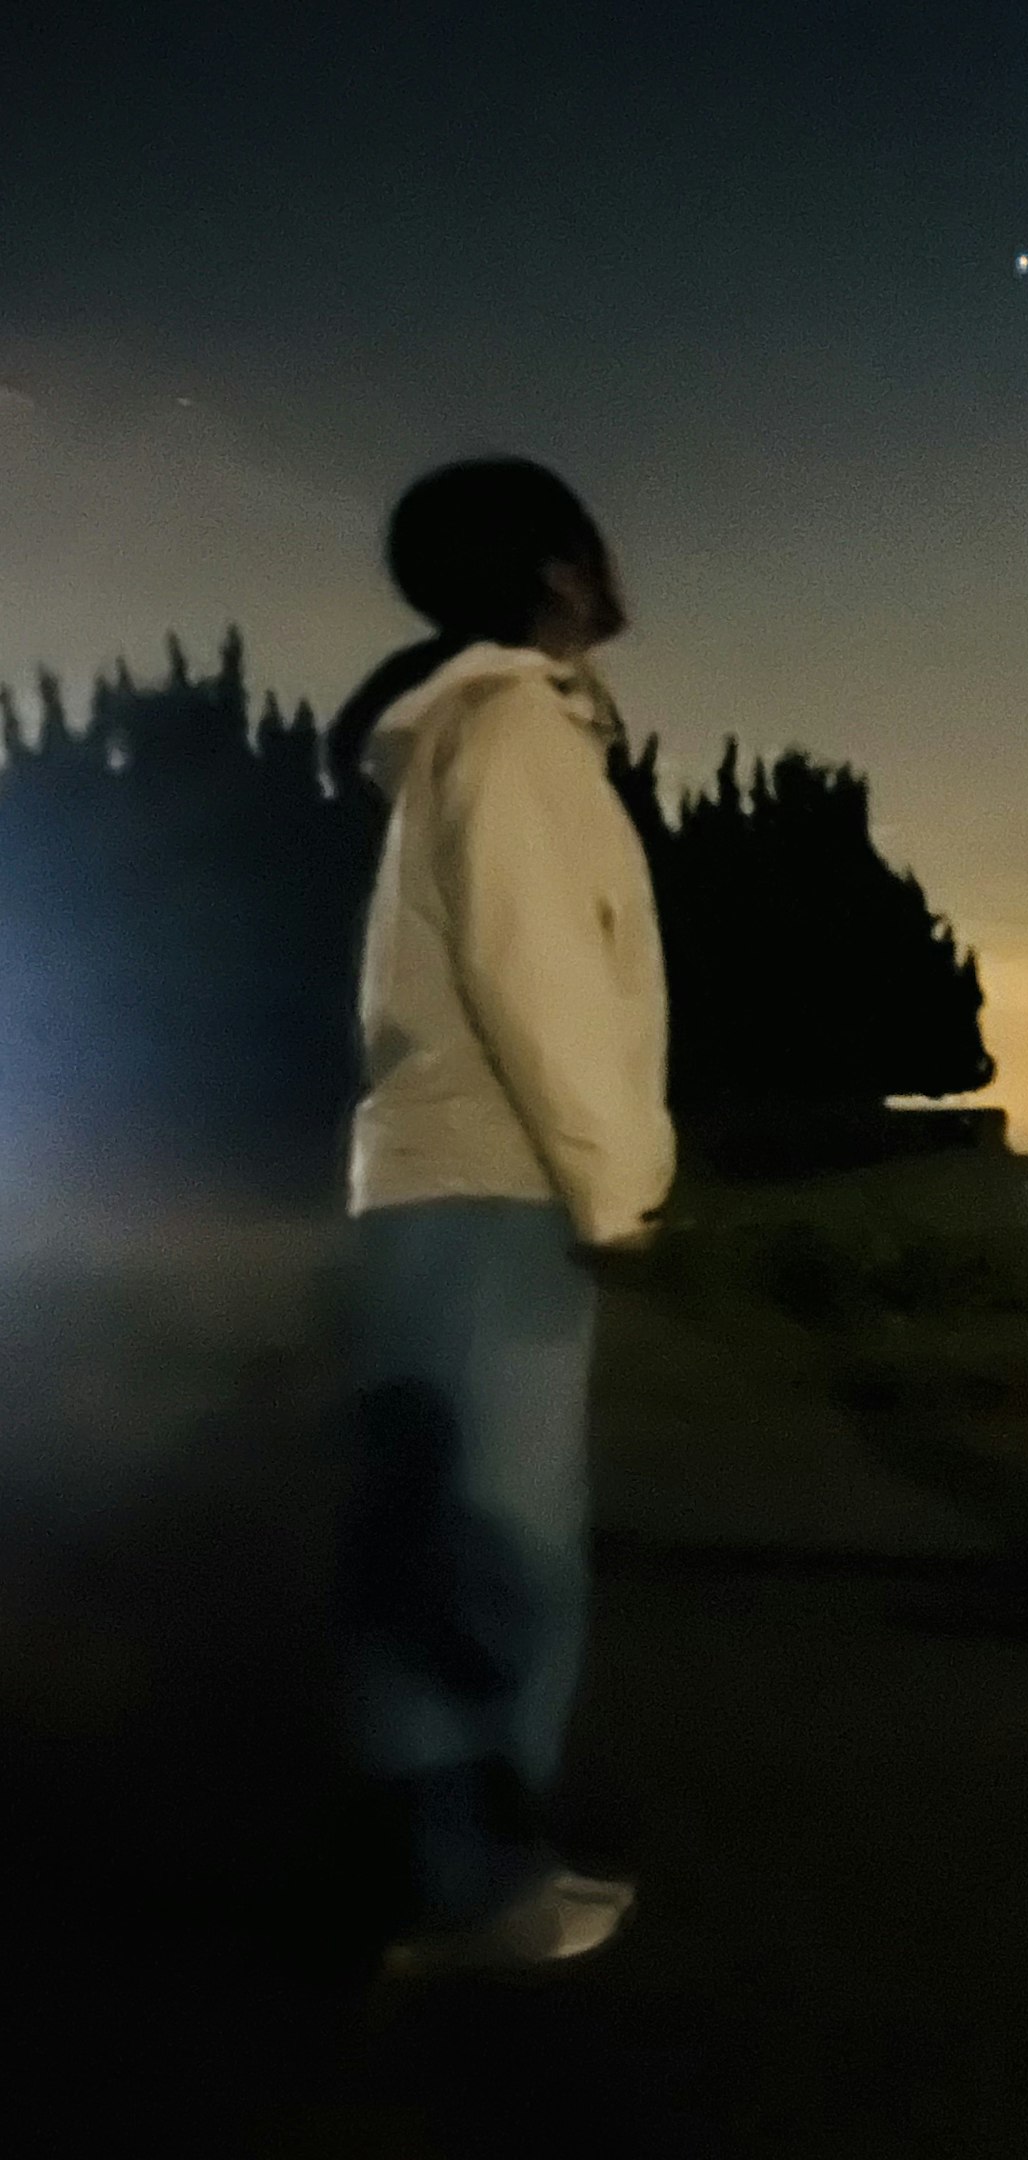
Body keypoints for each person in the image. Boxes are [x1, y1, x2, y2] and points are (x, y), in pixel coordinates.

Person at [330, 456, 665, 1974]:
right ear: (555, 570)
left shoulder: (477, 730)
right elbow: (541, 976)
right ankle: (472, 1892)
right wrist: (613, 1188)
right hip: (498, 1171)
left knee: (448, 1531)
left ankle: (463, 1866)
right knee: (497, 1545)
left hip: (452, 1174)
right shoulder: (516, 726)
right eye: (593, 543)